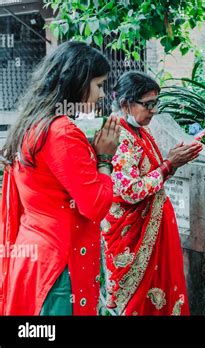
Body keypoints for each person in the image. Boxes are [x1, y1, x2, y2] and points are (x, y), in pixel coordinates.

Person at [0, 41, 121, 315]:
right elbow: (95, 206)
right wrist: (104, 159)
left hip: (35, 258)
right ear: (78, 82)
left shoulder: (32, 123)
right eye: (99, 85)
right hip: (61, 266)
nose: (102, 94)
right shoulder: (61, 132)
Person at [101, 71, 202, 315]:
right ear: (126, 103)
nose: (153, 111)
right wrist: (169, 164)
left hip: (153, 227)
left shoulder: (140, 131)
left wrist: (172, 163)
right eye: (148, 105)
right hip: (132, 237)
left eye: (156, 104)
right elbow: (129, 190)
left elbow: (154, 175)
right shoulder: (121, 136)